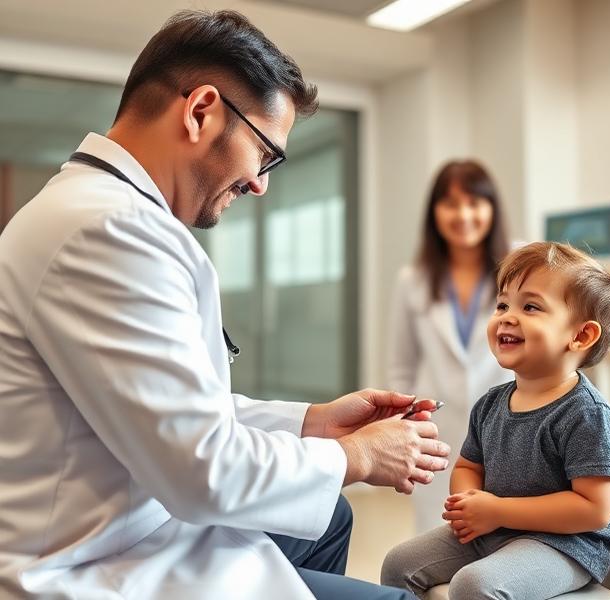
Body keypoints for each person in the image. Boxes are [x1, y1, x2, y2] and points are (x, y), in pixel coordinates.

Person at [0, 10, 450, 600]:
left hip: (133, 521)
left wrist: (311, 422)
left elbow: (172, 405)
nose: (261, 183)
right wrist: (354, 456)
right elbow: (202, 470)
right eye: (265, 152)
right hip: (94, 563)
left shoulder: (106, 214)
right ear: (201, 111)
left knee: (328, 519)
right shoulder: (108, 232)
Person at [381, 241, 610, 599]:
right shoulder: (490, 404)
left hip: (563, 545)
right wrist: (470, 501)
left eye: (530, 306)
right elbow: (469, 465)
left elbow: (595, 509)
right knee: (399, 563)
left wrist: (497, 510)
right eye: (502, 304)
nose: (506, 316)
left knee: (474, 586)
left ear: (581, 335)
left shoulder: (586, 415)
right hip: (497, 529)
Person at [387, 160, 513, 533]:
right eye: (451, 204)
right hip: (438, 430)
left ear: (492, 208)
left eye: (475, 202)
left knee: (507, 534)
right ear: (434, 213)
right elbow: (401, 365)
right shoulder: (413, 280)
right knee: (437, 536)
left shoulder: (520, 266)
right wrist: (406, 428)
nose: (463, 215)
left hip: (508, 422)